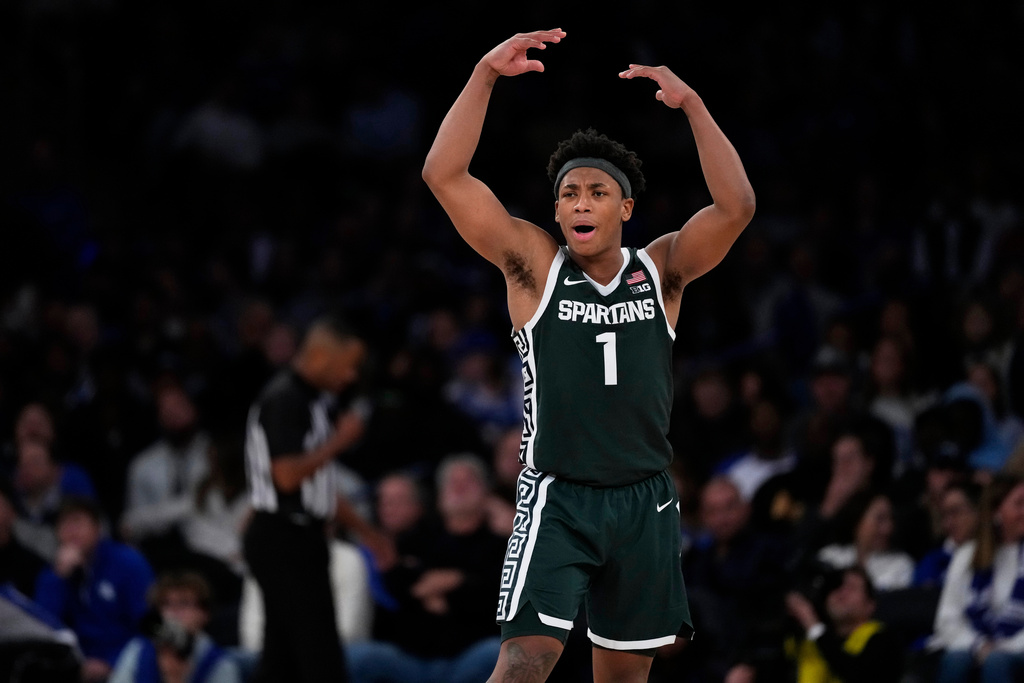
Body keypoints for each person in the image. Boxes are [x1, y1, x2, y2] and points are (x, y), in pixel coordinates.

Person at [422, 28, 756, 682]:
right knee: (522, 664)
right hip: (559, 495)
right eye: (570, 193)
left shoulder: (660, 269)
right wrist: (484, 74)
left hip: (644, 500)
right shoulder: (534, 265)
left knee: (623, 679)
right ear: (556, 210)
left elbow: (736, 205)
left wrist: (693, 108)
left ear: (625, 207)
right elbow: (444, 174)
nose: (580, 201)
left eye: (597, 192)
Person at [241, 314, 393, 683]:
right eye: (349, 365)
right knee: (320, 656)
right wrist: (341, 440)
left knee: (283, 658)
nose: (352, 377)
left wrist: (367, 533)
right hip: (283, 537)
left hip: (299, 537)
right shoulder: (285, 399)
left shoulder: (312, 402)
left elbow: (318, 487)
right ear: (323, 356)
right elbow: (287, 476)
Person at [347, 454, 507, 683]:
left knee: (500, 653)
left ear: (486, 493)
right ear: (439, 495)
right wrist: (458, 583)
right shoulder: (416, 537)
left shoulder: (501, 546)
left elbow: (494, 598)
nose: (459, 487)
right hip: (411, 659)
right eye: (452, 481)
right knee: (357, 657)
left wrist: (455, 583)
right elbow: (398, 586)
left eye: (468, 481)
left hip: (469, 656)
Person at [35, 496, 155, 682]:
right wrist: (58, 577)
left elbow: (148, 625)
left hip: (125, 663)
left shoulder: (129, 563)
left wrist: (112, 662)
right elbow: (42, 628)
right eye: (64, 524)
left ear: (98, 528)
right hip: (76, 666)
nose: (71, 532)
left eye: (78, 523)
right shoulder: (55, 572)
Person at [928, 472, 1024, 682]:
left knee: (997, 662)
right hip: (978, 646)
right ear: (996, 512)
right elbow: (947, 619)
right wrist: (980, 646)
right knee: (956, 660)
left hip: (1018, 649)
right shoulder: (968, 554)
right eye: (1019, 504)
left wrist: (1000, 649)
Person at [120, 382, 212, 571]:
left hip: (212, 553)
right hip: (161, 556)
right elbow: (130, 525)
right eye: (166, 409)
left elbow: (212, 508)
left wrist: (157, 515)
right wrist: (187, 506)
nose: (173, 414)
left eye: (179, 405)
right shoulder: (143, 465)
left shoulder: (215, 455)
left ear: (193, 408)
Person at [109, 571, 242, 683]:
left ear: (204, 614)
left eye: (183, 603)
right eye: (167, 604)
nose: (174, 612)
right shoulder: (138, 650)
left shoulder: (220, 664)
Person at [784, 565, 904, 683]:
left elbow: (859, 675)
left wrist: (814, 626)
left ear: (870, 606)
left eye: (852, 588)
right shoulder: (808, 639)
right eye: (837, 586)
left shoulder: (884, 640)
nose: (842, 592)